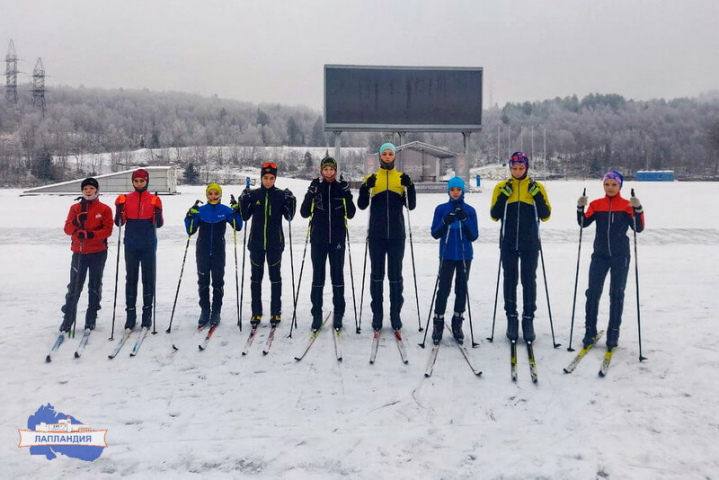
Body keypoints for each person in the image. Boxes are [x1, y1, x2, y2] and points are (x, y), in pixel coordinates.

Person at [577, 170, 644, 350]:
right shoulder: (597, 204)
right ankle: (590, 331)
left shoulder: (626, 205)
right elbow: (583, 223)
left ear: (620, 185)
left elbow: (639, 228)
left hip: (620, 255)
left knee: (616, 294)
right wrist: (579, 208)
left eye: (614, 184)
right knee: (592, 293)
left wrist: (638, 209)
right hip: (599, 255)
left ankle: (613, 333)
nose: (610, 188)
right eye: (607, 184)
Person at [490, 152, 551, 343]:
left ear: (526, 168)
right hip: (508, 242)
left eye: (521, 168)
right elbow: (494, 214)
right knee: (510, 279)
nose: (517, 171)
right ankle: (511, 318)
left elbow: (545, 215)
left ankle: (528, 319)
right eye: (514, 168)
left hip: (530, 242)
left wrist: (537, 196)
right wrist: (503, 197)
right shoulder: (501, 187)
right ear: (510, 168)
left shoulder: (536, 187)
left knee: (528, 280)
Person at [358, 142, 416, 333]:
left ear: (394, 157)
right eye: (385, 154)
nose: (388, 157)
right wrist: (365, 188)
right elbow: (362, 205)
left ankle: (395, 314)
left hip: (397, 236)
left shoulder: (401, 178)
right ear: (380, 157)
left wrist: (411, 187)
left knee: (395, 276)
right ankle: (377, 314)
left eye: (391, 154)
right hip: (376, 235)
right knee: (376, 276)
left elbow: (411, 206)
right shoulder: (372, 178)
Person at [300, 156, 356, 332]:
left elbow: (352, 213)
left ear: (336, 171)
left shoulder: (341, 187)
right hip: (318, 239)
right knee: (318, 278)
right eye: (326, 170)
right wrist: (310, 193)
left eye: (332, 170)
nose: (329, 173)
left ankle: (338, 313)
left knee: (337, 277)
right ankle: (317, 314)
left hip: (337, 239)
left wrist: (347, 194)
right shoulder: (316, 186)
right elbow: (303, 212)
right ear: (321, 170)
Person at [240, 162, 296, 328]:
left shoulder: (279, 195)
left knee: (275, 278)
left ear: (275, 179)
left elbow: (289, 216)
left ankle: (275, 312)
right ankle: (256, 312)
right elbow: (244, 216)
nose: (268, 181)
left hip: (275, 244)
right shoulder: (254, 194)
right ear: (261, 178)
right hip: (256, 243)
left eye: (271, 178)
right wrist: (243, 199)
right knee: (256, 279)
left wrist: (291, 200)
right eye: (265, 178)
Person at [184, 183, 243, 328]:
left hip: (218, 251)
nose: (213, 196)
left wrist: (237, 211)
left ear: (220, 195)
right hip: (202, 251)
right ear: (206, 195)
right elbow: (190, 230)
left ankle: (216, 311)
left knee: (217, 282)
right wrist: (189, 216)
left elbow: (238, 226)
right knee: (203, 282)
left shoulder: (225, 210)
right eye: (210, 194)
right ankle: (205, 311)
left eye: (216, 194)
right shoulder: (200, 211)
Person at [59, 177, 114, 333]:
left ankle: (91, 317)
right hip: (79, 252)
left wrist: (90, 234)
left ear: (96, 190)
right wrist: (77, 222)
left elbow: (107, 230)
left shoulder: (104, 209)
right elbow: (68, 230)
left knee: (95, 285)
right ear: (82, 191)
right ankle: (68, 319)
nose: (88, 191)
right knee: (75, 286)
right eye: (85, 189)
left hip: (98, 252)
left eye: (91, 188)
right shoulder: (75, 208)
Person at [429, 177, 478, 345]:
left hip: (465, 255)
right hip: (447, 254)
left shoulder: (470, 210)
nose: (455, 192)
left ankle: (457, 322)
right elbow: (435, 233)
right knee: (443, 288)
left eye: (458, 190)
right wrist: (444, 221)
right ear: (448, 191)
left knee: (461, 289)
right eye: (452, 190)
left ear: (462, 191)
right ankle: (438, 322)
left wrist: (465, 220)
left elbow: (474, 235)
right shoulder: (441, 209)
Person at [114, 168, 164, 331]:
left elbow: (159, 223)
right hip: (131, 242)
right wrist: (119, 210)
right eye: (136, 181)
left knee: (148, 278)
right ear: (133, 182)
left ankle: (147, 315)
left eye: (142, 181)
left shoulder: (153, 199)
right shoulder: (127, 198)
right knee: (131, 278)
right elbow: (120, 223)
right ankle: (130, 315)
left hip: (148, 242)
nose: (139, 183)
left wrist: (158, 211)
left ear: (147, 181)